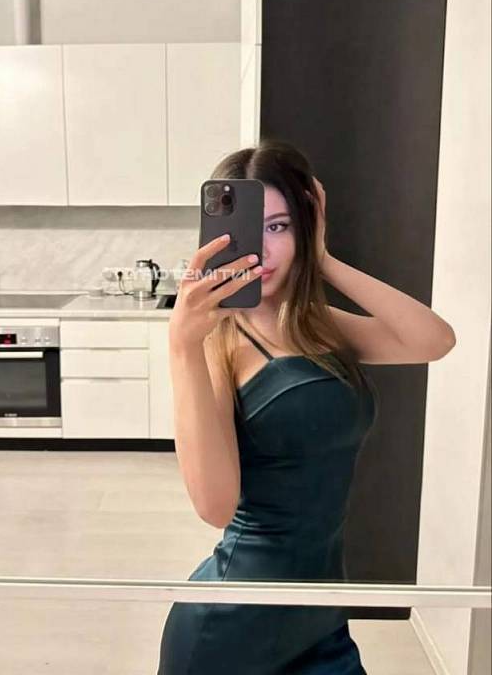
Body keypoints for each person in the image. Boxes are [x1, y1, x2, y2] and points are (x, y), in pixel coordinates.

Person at [157, 139, 456, 674]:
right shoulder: (217, 343)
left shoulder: (316, 325)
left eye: (280, 226)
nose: (264, 250)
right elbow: (215, 507)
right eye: (249, 230)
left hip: (320, 617)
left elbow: (433, 340)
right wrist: (182, 345)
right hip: (233, 626)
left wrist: (325, 260)